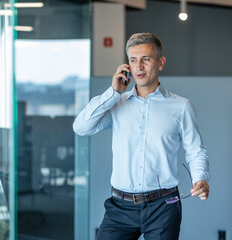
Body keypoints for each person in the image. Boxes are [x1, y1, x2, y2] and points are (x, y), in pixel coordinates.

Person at [73, 33, 210, 240]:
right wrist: (113, 92)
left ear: (161, 63)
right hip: (119, 207)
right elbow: (81, 127)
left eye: (146, 59)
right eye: (133, 60)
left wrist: (200, 179)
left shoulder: (181, 106)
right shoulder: (117, 103)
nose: (139, 67)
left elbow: (196, 151)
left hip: (163, 206)